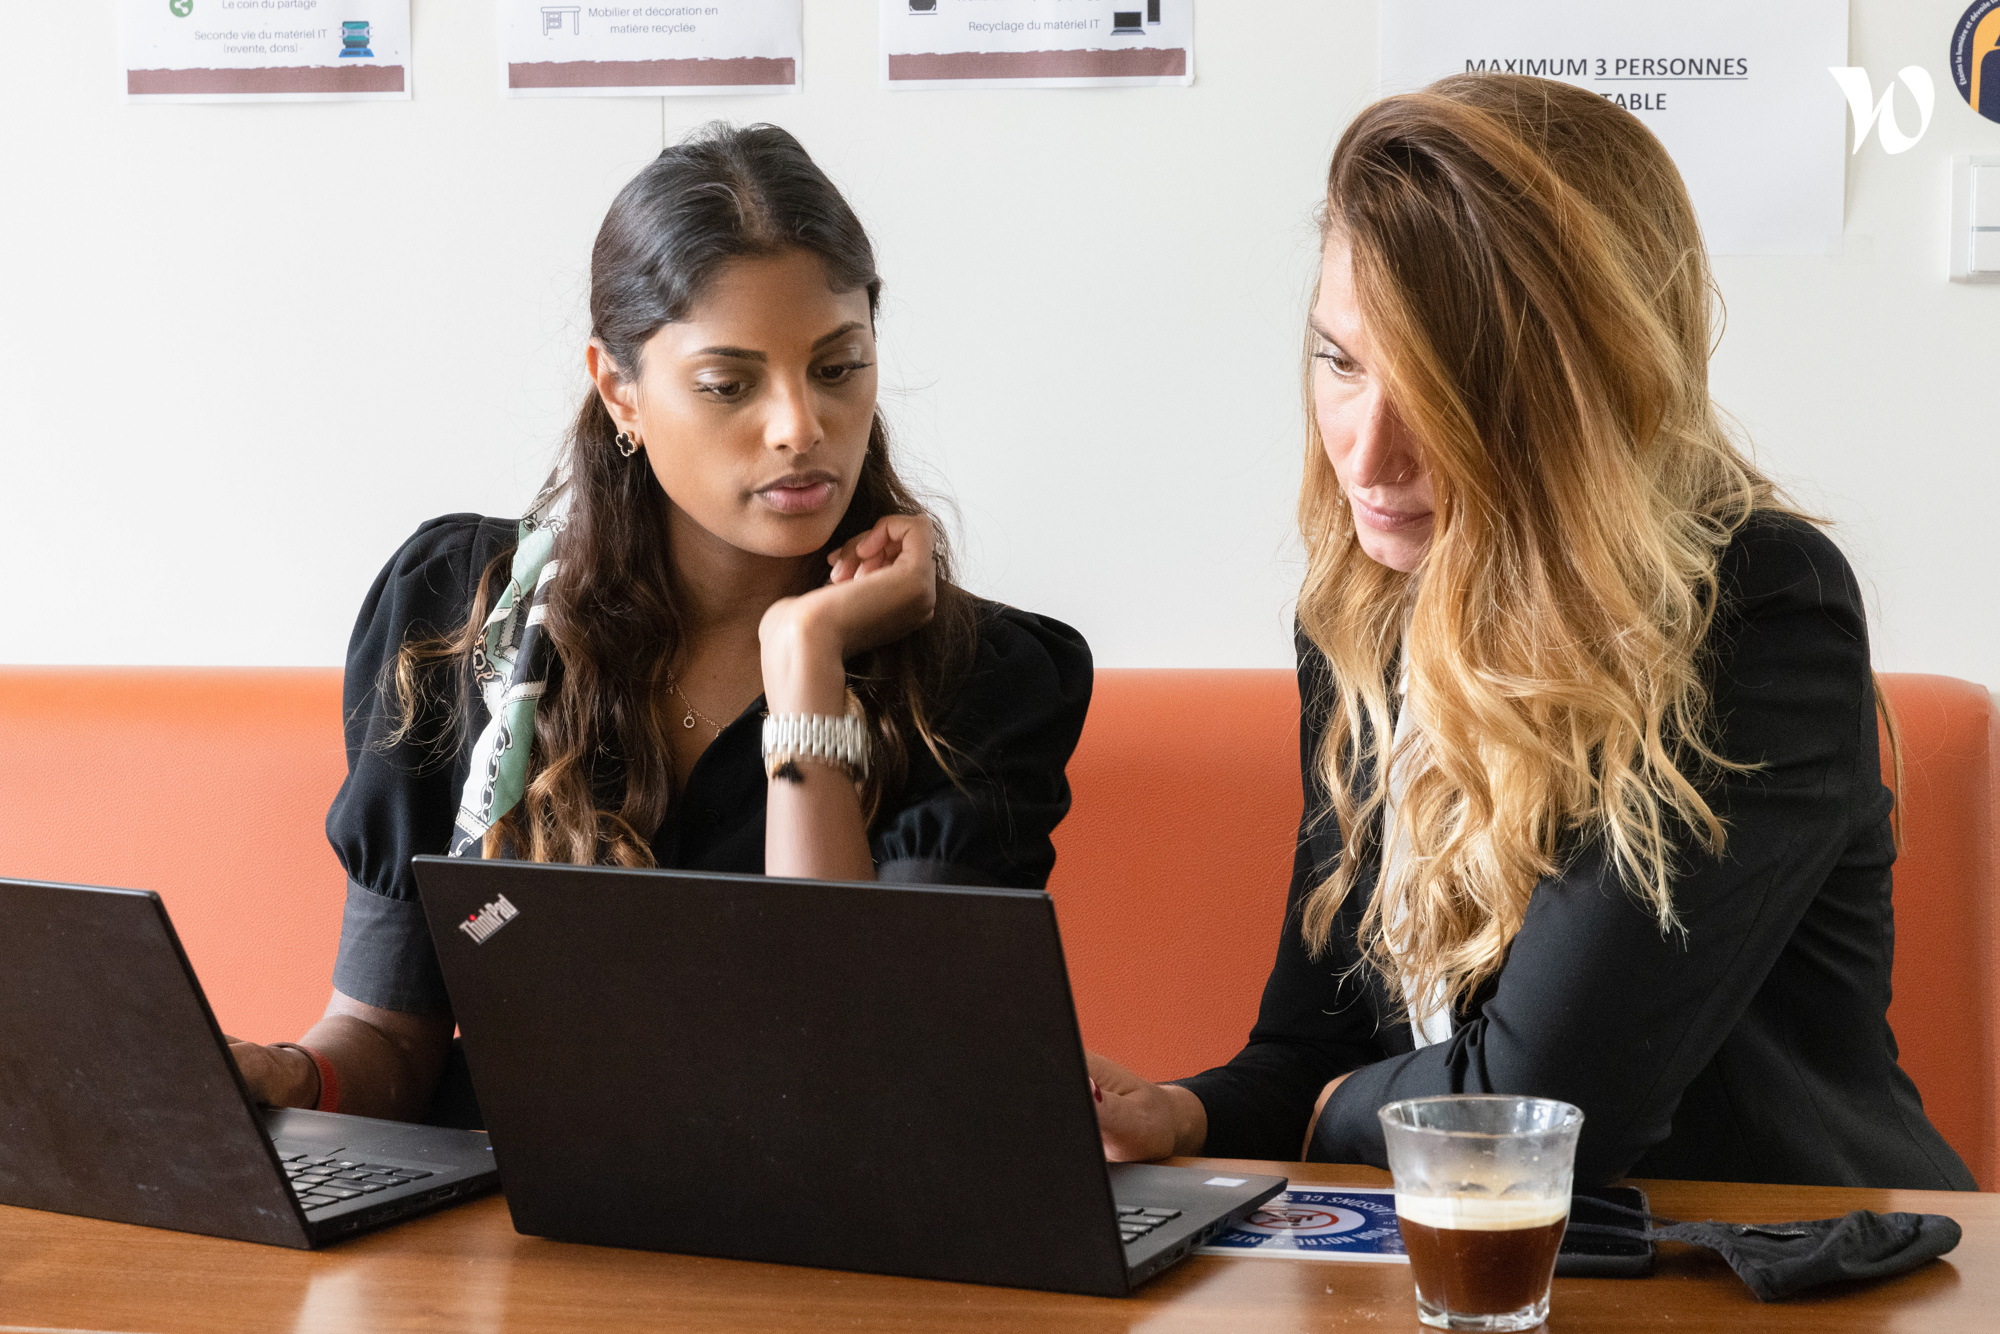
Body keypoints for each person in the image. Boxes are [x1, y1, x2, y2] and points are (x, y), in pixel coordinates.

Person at [1087, 74, 1975, 1191]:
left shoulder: (1758, 609)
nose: (1365, 456)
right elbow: (1317, 1045)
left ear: (1589, 387)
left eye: (1441, 386)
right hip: (1476, 1267)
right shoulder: (1362, 615)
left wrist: (1332, 1109)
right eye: (1339, 361)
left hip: (1758, 1269)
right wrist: (1180, 1113)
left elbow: (1546, 1109)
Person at [229, 123, 1092, 1123]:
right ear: (618, 388)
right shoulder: (464, 615)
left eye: (836, 368)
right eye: (728, 384)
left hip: (811, 1240)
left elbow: (854, 1067)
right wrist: (285, 1076)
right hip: (501, 1235)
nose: (797, 427)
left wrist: (804, 656)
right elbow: (386, 1036)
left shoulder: (979, 679)